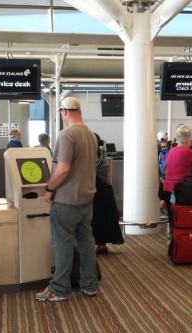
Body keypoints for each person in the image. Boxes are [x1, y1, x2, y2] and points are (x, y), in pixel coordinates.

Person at [37, 96, 99, 302]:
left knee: (62, 244)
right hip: (86, 199)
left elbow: (63, 168)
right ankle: (89, 285)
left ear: (64, 112)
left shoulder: (66, 135)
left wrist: (49, 188)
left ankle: (59, 289)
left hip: (66, 200)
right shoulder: (90, 135)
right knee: (86, 242)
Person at [161, 124, 192, 224]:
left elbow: (174, 166)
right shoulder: (188, 151)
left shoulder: (171, 151)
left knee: (173, 217)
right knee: (183, 216)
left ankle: (173, 236)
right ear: (187, 140)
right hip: (180, 189)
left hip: (167, 188)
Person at [92, 133, 124, 254]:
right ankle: (101, 244)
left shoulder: (90, 154)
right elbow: (107, 174)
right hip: (105, 188)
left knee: (95, 217)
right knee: (103, 217)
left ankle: (98, 245)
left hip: (95, 189)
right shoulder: (103, 153)